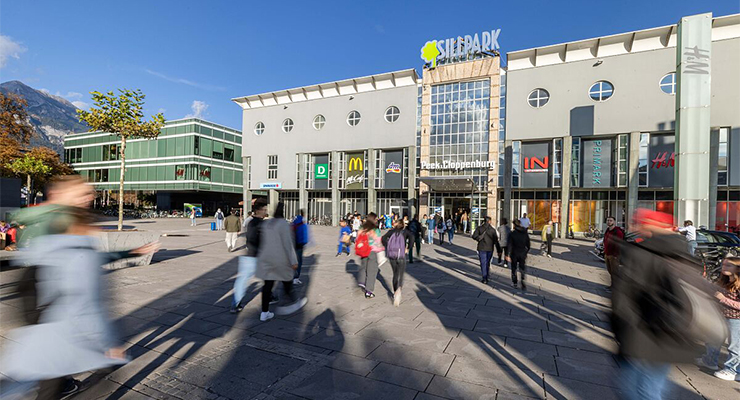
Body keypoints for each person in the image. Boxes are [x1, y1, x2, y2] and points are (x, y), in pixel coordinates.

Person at [0, 207, 159, 400]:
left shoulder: (48, 247)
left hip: (45, 332)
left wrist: (132, 252)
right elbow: (87, 305)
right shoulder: (83, 256)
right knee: (100, 374)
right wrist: (109, 344)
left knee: (42, 385)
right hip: (68, 334)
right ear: (80, 227)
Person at [612, 209, 708, 399]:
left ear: (648, 225)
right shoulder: (682, 253)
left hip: (640, 337)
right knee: (651, 390)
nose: (634, 226)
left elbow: (623, 300)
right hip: (670, 339)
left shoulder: (640, 253)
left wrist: (622, 332)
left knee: (635, 392)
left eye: (638, 222)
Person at [255, 202, 307, 322]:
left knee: (267, 285)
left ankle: (264, 312)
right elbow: (288, 244)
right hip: (279, 259)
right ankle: (293, 302)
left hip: (266, 259)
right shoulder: (283, 224)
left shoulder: (267, 223)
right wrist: (294, 261)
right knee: (287, 281)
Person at [696, 257, 740, 381]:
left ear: (737, 268)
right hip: (722, 315)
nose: (724, 267)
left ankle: (733, 370)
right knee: (713, 338)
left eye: (729, 265)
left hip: (737, 319)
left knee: (734, 346)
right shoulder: (724, 281)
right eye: (723, 264)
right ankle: (709, 361)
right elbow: (713, 291)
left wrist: (723, 299)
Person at [231, 201, 267, 313]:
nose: (266, 212)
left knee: (242, 280)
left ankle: (235, 304)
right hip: (256, 256)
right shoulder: (259, 223)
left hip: (249, 255)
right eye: (264, 209)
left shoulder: (251, 222)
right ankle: (270, 296)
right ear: (259, 210)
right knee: (268, 278)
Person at [382, 220, 413, 307]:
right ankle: (399, 289)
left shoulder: (391, 231)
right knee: (401, 274)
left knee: (395, 273)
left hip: (392, 255)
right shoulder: (405, 232)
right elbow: (412, 238)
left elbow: (383, 238)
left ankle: (395, 291)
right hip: (401, 255)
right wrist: (408, 248)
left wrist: (387, 246)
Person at [356, 216, 382, 299]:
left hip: (363, 250)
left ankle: (362, 281)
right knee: (372, 271)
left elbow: (357, 238)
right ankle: (369, 291)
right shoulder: (375, 230)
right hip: (372, 251)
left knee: (364, 267)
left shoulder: (362, 228)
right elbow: (378, 242)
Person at [473, 216, 498, 283]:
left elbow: (474, 236)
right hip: (490, 248)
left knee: (483, 263)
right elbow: (496, 241)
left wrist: (479, 238)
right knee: (487, 262)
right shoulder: (492, 230)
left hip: (481, 248)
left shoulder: (479, 228)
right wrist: (499, 250)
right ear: (489, 221)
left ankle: (484, 277)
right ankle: (487, 275)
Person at [507, 219, 530, 290]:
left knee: (514, 268)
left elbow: (509, 245)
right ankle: (522, 280)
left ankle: (515, 283)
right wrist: (526, 252)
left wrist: (508, 254)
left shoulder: (512, 234)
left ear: (514, 225)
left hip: (514, 253)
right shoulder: (525, 233)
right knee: (522, 267)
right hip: (522, 253)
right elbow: (528, 245)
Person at [603, 216, 624, 289]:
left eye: (611, 220)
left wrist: (616, 254)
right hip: (607, 254)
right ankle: (612, 285)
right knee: (610, 271)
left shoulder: (618, 232)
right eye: (608, 220)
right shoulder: (607, 230)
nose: (609, 222)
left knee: (615, 272)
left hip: (614, 255)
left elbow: (619, 244)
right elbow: (605, 240)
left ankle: (616, 287)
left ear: (614, 222)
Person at [291, 210, 309, 285]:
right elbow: (304, 235)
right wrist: (304, 243)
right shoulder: (302, 223)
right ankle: (296, 277)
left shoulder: (294, 222)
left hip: (292, 244)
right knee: (299, 261)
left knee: (292, 260)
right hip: (299, 245)